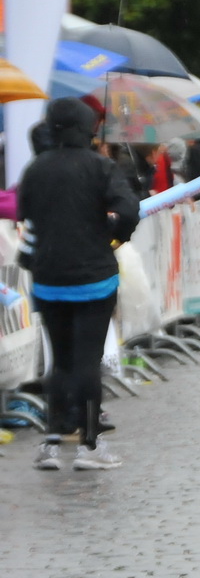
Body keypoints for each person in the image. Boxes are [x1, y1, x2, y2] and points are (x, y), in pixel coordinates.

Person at [21, 98, 139, 471]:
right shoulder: (100, 166)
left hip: (49, 278)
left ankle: (52, 444)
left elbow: (26, 213)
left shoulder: (35, 168)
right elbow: (129, 209)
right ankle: (89, 445)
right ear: (89, 128)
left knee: (61, 360)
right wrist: (114, 234)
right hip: (93, 277)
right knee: (88, 361)